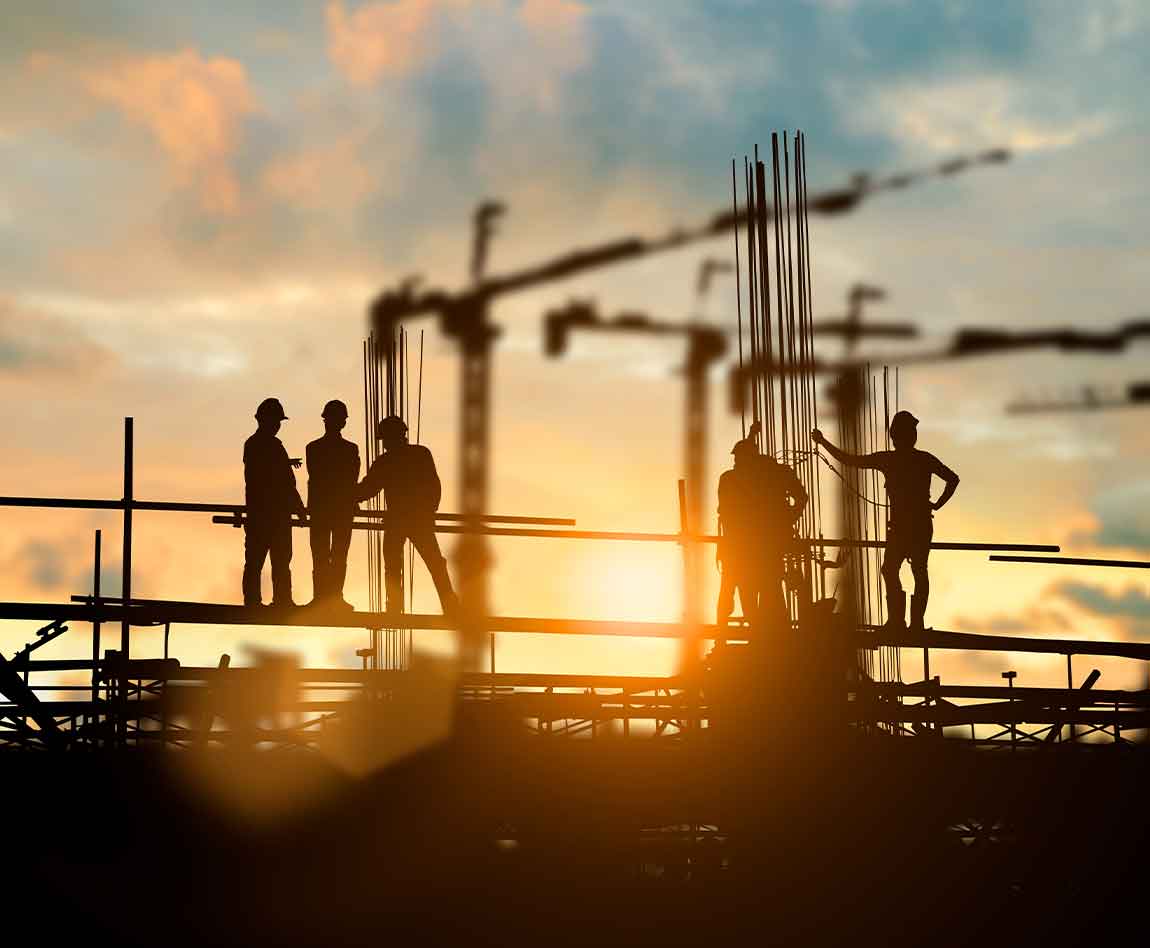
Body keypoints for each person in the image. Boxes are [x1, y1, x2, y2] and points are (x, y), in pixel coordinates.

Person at [812, 410, 959, 632]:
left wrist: (823, 443)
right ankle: (912, 623)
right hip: (918, 526)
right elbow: (953, 479)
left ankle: (898, 622)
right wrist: (937, 504)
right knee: (915, 570)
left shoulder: (890, 460)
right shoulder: (923, 459)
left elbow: (851, 461)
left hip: (902, 527)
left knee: (893, 570)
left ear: (894, 436)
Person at [356, 415, 458, 616]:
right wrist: (429, 511)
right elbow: (434, 485)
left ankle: (394, 607)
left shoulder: (386, 461)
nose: (384, 444)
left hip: (398, 520)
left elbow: (368, 489)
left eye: (385, 439)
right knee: (435, 563)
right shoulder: (420, 454)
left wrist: (346, 497)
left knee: (394, 564)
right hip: (419, 519)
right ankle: (451, 606)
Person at [716, 422, 808, 631]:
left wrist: (787, 519)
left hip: (745, 548)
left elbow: (801, 497)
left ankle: (761, 634)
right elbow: (801, 498)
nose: (736, 462)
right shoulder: (758, 477)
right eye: (736, 459)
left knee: (757, 592)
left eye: (739, 458)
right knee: (759, 591)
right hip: (755, 548)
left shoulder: (737, 479)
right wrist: (788, 519)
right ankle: (765, 633)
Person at [243, 397, 306, 608]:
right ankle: (277, 601)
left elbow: (278, 476)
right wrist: (299, 508)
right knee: (264, 560)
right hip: (271, 514)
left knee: (271, 560)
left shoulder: (259, 445)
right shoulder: (264, 445)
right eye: (275, 421)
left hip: (265, 514)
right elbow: (282, 481)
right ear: (264, 420)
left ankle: (262, 601)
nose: (277, 425)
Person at [305, 400, 360, 609]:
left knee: (325, 554)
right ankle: (331, 597)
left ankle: (324, 597)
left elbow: (321, 478)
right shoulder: (349, 450)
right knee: (336, 554)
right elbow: (349, 480)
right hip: (338, 510)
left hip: (324, 509)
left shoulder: (314, 448)